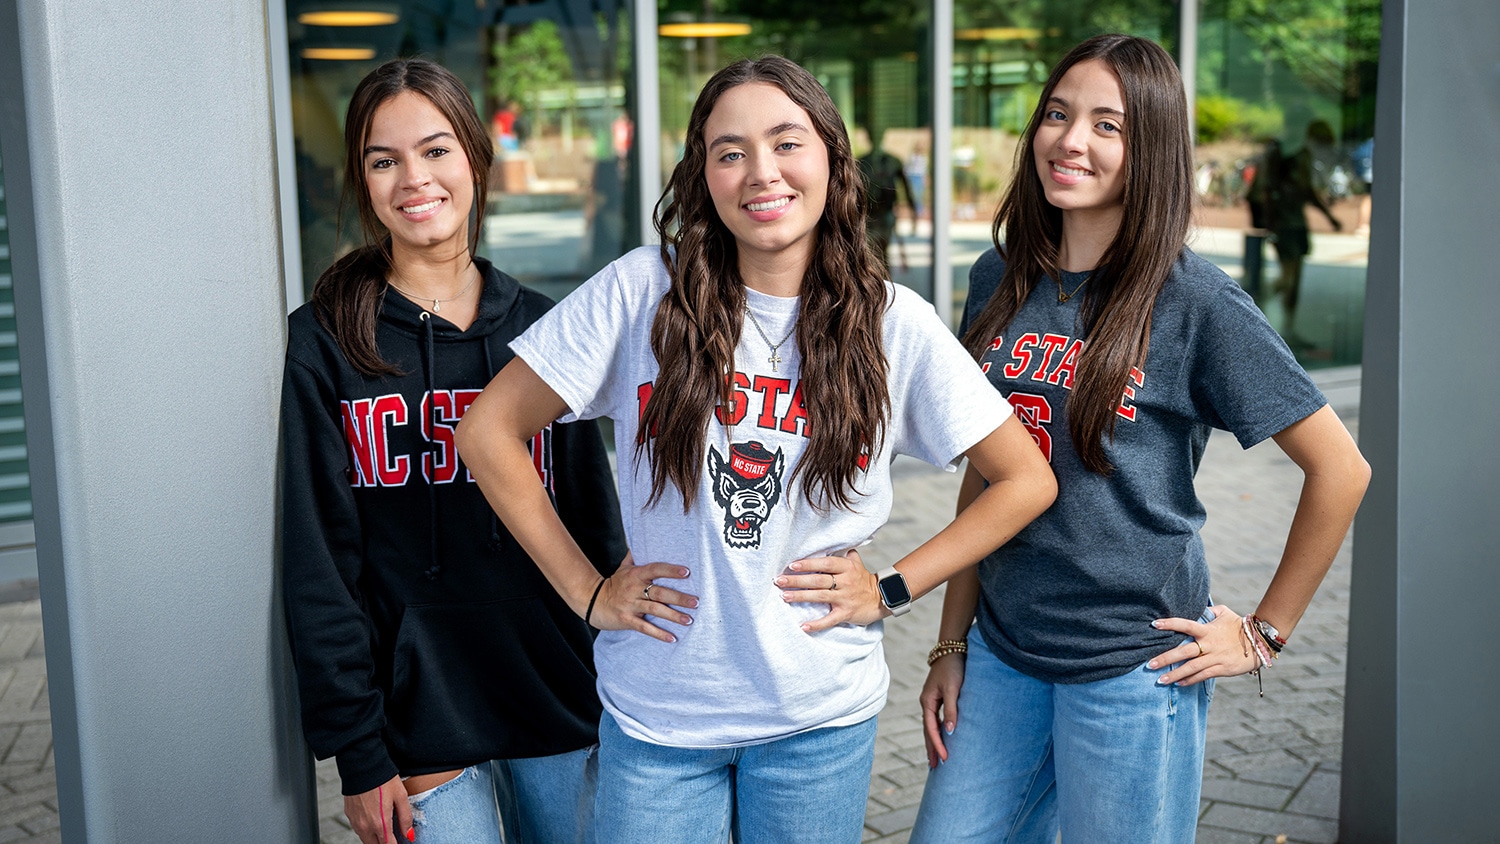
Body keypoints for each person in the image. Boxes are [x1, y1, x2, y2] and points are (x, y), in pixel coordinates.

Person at [455, 55, 1057, 844]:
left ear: (831, 159)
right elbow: (487, 432)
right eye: (729, 151)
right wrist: (587, 593)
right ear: (702, 175)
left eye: (786, 142)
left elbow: (1024, 478)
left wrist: (891, 590)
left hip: (817, 719)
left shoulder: (890, 322)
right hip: (659, 718)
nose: (760, 173)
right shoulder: (644, 293)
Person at [910, 35, 1370, 843]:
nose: (1070, 140)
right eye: (1058, 114)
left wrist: (1262, 633)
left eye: (1107, 126)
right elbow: (990, 475)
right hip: (1006, 652)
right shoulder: (1000, 277)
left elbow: (1341, 468)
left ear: (1150, 149)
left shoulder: (1196, 302)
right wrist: (953, 640)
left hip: (1133, 666)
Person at [281, 58, 626, 844]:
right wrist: (357, 752)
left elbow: (594, 529)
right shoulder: (327, 340)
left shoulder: (546, 329)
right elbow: (319, 561)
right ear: (363, 181)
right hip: (418, 714)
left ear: (475, 158)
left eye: (435, 150)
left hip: (560, 697)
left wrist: (627, 687)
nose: (414, 178)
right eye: (383, 159)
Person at [1252, 121, 1343, 341]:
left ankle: (1287, 329)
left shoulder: (1299, 153)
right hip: (1284, 224)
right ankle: (1253, 308)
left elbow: (1305, 190)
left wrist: (1329, 216)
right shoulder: (1280, 151)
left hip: (1295, 223)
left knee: (1293, 281)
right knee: (1287, 279)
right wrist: (1271, 222)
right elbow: (1268, 188)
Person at [858, 127, 916, 275]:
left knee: (882, 251)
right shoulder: (861, 162)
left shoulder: (893, 161)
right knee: (870, 253)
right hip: (868, 214)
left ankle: (884, 285)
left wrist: (912, 210)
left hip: (886, 212)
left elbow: (905, 186)